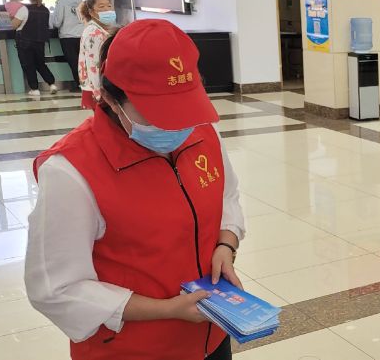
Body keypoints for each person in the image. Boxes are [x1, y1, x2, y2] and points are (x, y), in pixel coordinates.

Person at [26, 19, 244, 360]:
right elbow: (57, 289)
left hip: (212, 335)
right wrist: (167, 309)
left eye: (184, 107)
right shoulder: (71, 172)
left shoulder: (203, 133)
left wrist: (225, 245)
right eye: (158, 113)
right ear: (111, 99)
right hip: (133, 349)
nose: (177, 125)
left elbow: (226, 196)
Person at [13, 0, 57, 97]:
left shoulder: (24, 9)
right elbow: (49, 25)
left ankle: (34, 89)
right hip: (40, 41)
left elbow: (14, 24)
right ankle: (51, 84)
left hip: (25, 41)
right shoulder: (46, 10)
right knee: (40, 64)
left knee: (29, 65)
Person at [78, 0, 117, 109]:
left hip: (101, 87)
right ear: (91, 12)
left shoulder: (101, 29)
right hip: (98, 89)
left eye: (109, 6)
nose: (107, 9)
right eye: (101, 7)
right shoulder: (93, 33)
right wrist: (99, 94)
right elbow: (93, 65)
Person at [50, 0, 84, 90]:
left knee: (73, 61)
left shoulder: (61, 2)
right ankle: (86, 84)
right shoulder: (79, 0)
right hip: (82, 35)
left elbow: (57, 21)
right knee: (83, 61)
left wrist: (53, 23)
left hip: (68, 36)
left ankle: (78, 84)